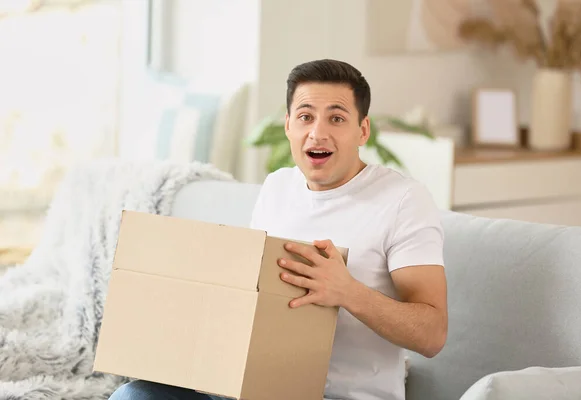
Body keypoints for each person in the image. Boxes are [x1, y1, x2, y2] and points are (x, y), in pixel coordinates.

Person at [108, 59, 447, 400]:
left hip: (344, 396)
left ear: (362, 130)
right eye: (305, 117)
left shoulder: (404, 200)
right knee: (134, 396)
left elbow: (433, 335)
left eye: (337, 118)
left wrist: (348, 292)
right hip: (259, 388)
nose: (318, 132)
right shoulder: (278, 187)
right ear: (288, 126)